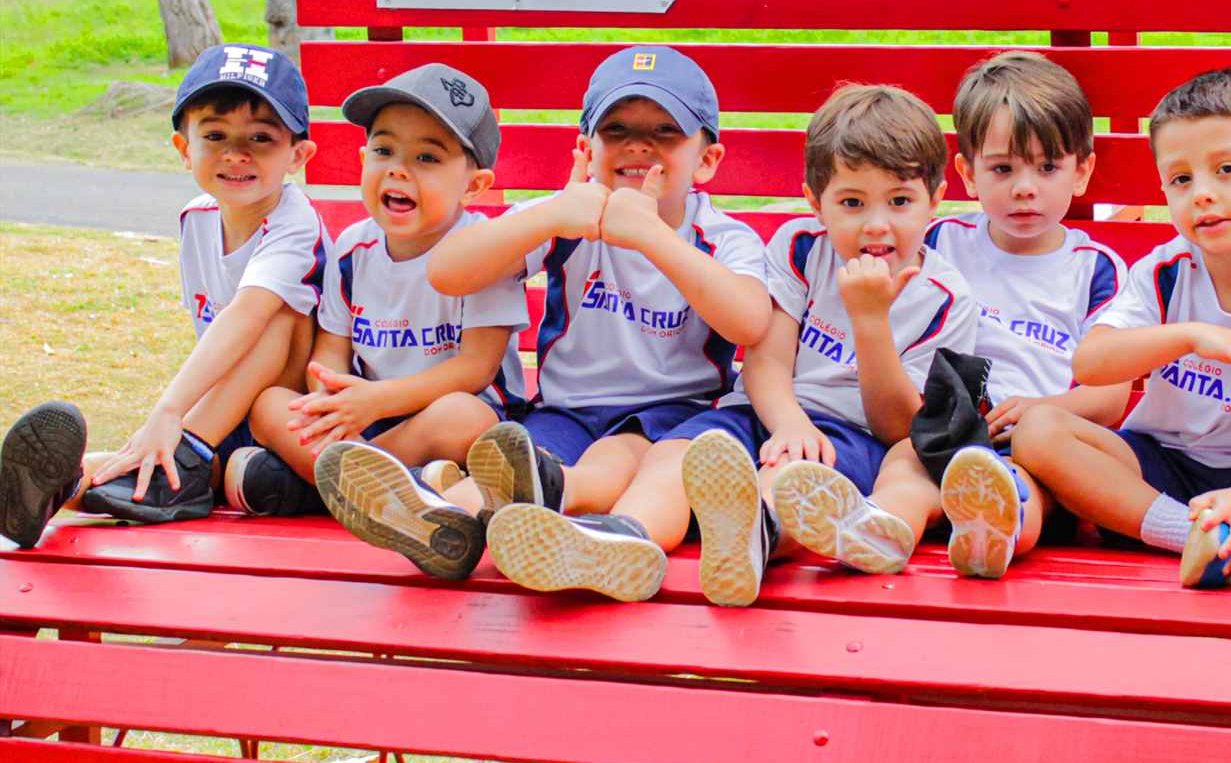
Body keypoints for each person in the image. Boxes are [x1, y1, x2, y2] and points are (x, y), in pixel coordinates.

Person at [313, 45, 770, 594]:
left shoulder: (720, 237)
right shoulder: (565, 218)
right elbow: (448, 271)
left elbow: (749, 323)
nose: (638, 145)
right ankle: (438, 519)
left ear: (707, 160)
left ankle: (596, 535)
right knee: (513, 465)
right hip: (566, 409)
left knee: (614, 458)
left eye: (665, 131)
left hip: (674, 412)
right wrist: (553, 213)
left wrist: (650, 235)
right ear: (586, 150)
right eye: (616, 129)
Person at [506, 82, 977, 608]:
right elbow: (766, 359)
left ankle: (754, 539)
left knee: (793, 479)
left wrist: (870, 323)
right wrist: (789, 423)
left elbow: (897, 427)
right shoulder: (802, 249)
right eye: (851, 202)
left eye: (900, 201)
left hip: (851, 435)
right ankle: (621, 541)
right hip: (759, 409)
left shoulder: (945, 299)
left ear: (935, 201)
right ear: (815, 203)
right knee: (675, 457)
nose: (876, 224)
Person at [1008, 69, 1231, 603]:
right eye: (1181, 180)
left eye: (1227, 170)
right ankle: (1195, 536)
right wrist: (1189, 336)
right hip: (1160, 466)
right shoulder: (1164, 274)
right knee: (1038, 430)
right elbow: (1091, 362)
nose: (1202, 194)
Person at [1, 45, 326, 547]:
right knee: (137, 466)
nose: (235, 153)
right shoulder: (197, 220)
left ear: (298, 156)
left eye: (260, 138)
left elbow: (244, 317)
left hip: (288, 413)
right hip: (224, 420)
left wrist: (171, 414)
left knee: (275, 317)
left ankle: (187, 456)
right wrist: (171, 424)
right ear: (183, 148)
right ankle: (54, 490)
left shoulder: (294, 223)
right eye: (214, 136)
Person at [851, 51, 1128, 579]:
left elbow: (1110, 396)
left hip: (1035, 448)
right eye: (1002, 169)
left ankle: (995, 529)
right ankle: (881, 527)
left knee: (1031, 485)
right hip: (943, 429)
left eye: (1048, 167)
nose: (1025, 188)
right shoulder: (939, 242)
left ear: (1082, 172)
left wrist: (1043, 409)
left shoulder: (1096, 270)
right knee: (905, 461)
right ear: (968, 173)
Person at [230, 65, 526, 544]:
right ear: (363, 158)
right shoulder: (353, 248)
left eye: (427, 157)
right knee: (270, 405)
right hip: (365, 419)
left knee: (463, 417)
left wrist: (375, 402)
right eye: (384, 151)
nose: (398, 169)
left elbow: (476, 368)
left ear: (474, 186)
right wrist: (329, 397)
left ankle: (330, 489)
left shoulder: (482, 250)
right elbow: (332, 348)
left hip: (445, 417)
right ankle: (406, 493)